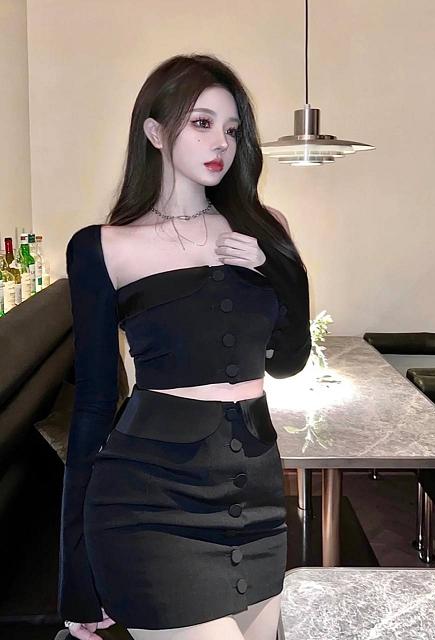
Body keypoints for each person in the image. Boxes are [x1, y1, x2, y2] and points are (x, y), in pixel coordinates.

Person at [58, 53, 311, 640]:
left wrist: (281, 269)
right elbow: (92, 405)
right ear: (154, 132)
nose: (221, 141)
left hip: (257, 494)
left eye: (232, 128)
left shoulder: (266, 227)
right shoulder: (103, 247)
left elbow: (288, 362)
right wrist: (76, 576)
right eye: (201, 123)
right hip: (149, 503)